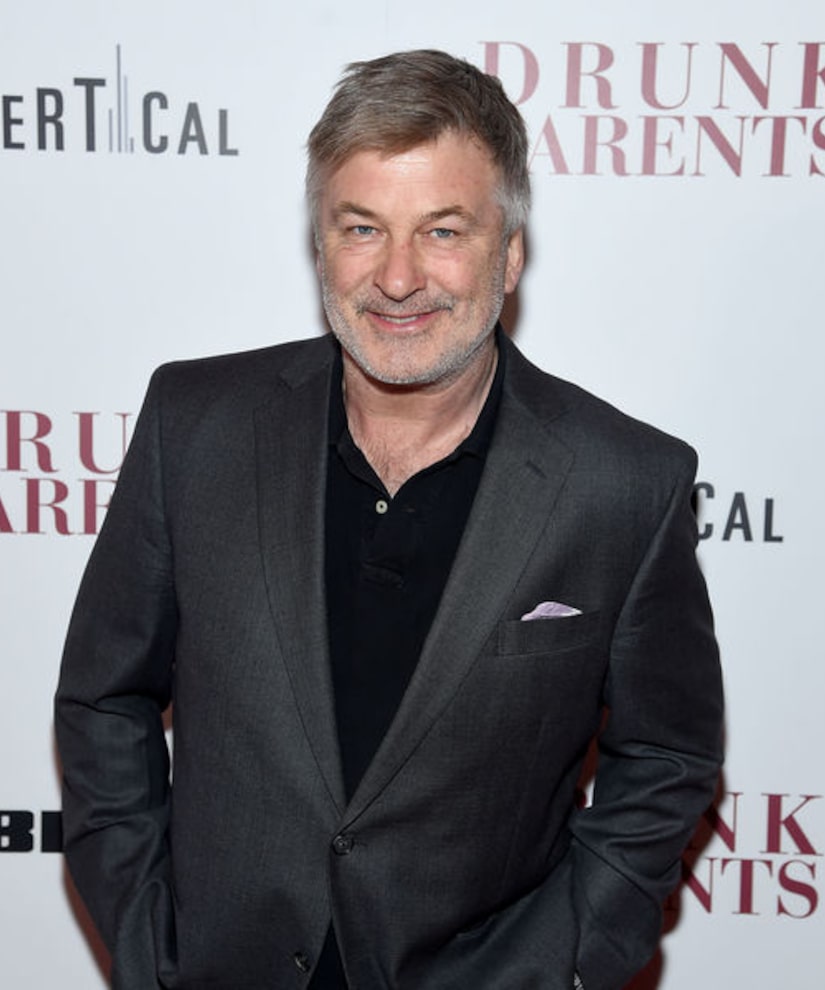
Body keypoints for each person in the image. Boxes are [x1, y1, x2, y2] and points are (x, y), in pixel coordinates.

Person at [55, 49, 724, 990]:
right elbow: (102, 700)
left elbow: (665, 751)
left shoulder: (623, 483)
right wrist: (148, 940)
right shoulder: (194, 426)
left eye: (443, 230)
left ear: (510, 252)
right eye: (362, 227)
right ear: (319, 245)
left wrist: (570, 959)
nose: (398, 277)